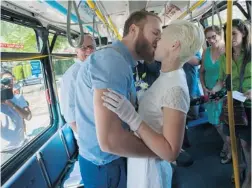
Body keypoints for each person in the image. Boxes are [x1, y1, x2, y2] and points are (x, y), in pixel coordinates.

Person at [102, 20, 204, 188]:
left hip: (150, 171)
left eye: (161, 37)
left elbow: (171, 152)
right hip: (143, 158)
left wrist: (132, 118)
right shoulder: (167, 76)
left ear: (174, 46)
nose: (156, 41)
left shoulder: (175, 89)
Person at [75, 11, 162, 188]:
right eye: (155, 33)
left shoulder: (119, 60)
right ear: (133, 30)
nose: (159, 41)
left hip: (103, 162)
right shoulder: (112, 62)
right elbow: (111, 140)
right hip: (105, 165)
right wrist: (159, 152)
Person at [212, 19, 251, 188]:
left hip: (249, 104)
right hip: (233, 103)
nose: (230, 38)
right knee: (233, 141)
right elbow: (221, 80)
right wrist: (214, 90)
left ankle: (249, 176)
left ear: (243, 33)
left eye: (234, 33)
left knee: (246, 143)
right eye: (227, 35)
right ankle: (241, 167)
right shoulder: (224, 58)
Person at [199, 25, 227, 159]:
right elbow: (202, 72)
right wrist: (204, 87)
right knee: (216, 123)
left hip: (224, 90)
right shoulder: (206, 52)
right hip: (209, 90)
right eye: (208, 38)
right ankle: (226, 145)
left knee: (225, 122)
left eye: (213, 37)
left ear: (220, 35)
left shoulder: (227, 50)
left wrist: (221, 90)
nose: (211, 40)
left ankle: (229, 147)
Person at [60, 34, 96, 137]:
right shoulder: (72, 75)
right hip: (89, 135)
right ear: (77, 51)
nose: (89, 51)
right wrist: (87, 138)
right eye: (83, 48)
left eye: (91, 47)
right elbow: (69, 114)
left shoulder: (95, 69)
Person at [1, 70, 32, 164]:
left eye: (11, 79)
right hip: (5, 151)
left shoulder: (18, 97)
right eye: (4, 80)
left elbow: (28, 116)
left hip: (22, 145)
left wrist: (11, 104)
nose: (9, 83)